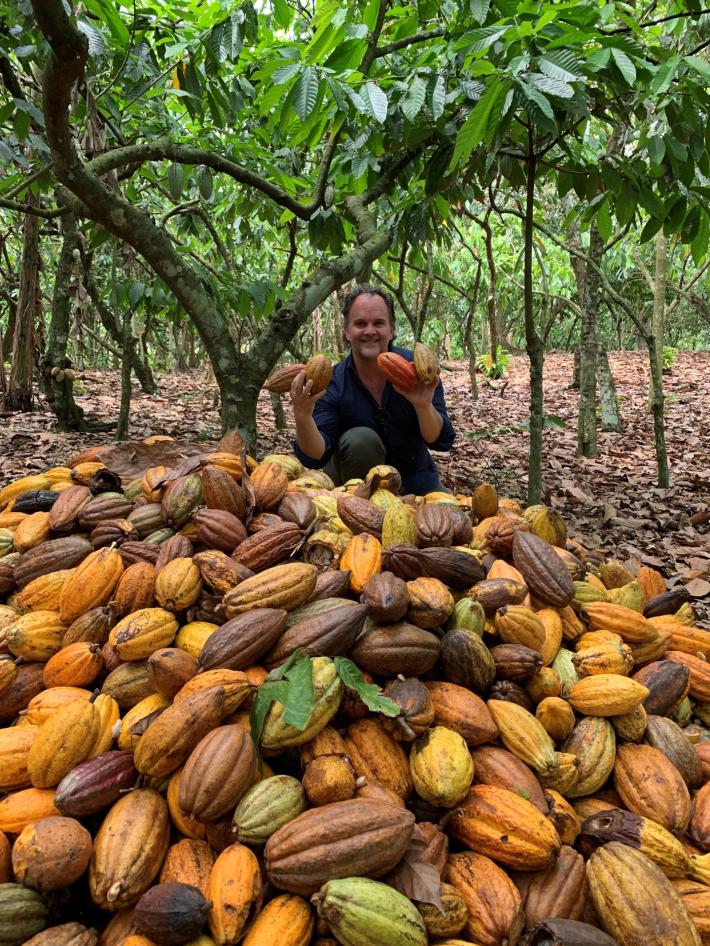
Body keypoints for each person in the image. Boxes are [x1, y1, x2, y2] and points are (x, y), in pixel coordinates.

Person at [290, 284, 455, 494]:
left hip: (416, 482)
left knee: (460, 521)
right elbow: (316, 455)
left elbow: (441, 441)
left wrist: (423, 406)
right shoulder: (332, 382)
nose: (369, 331)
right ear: (346, 332)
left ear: (391, 329)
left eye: (378, 323)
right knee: (360, 440)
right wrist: (303, 416)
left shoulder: (417, 370)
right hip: (356, 488)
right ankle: (361, 510)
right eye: (360, 324)